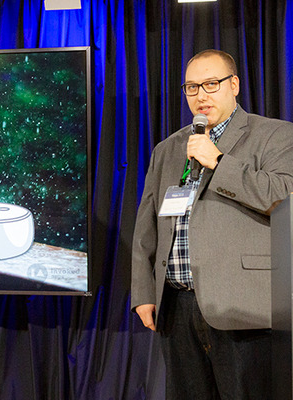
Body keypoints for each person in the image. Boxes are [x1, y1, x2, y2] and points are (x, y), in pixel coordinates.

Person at [131, 48, 293, 399]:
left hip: (243, 306)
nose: (201, 95)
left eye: (211, 84)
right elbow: (147, 227)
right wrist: (143, 293)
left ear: (234, 85)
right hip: (177, 308)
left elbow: (281, 198)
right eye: (192, 87)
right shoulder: (168, 149)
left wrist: (218, 161)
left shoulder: (275, 134)